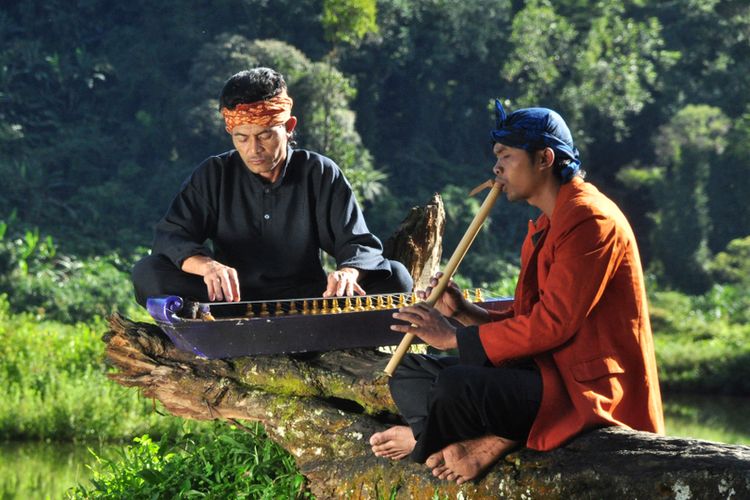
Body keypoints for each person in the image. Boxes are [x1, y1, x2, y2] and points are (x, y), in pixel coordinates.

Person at [369, 100, 664, 484]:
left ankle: (457, 443)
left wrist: (453, 338)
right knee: (409, 373)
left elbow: (554, 325)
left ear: (544, 158)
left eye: (506, 156)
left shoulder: (591, 220)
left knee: (455, 386)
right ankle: (451, 443)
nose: (496, 168)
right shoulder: (547, 224)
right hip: (541, 370)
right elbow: (530, 317)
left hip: (580, 385)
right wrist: (463, 313)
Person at [132, 67, 412, 308]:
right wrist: (207, 266)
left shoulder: (319, 172)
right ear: (231, 132)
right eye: (241, 138)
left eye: (265, 135)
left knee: (396, 277)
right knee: (148, 273)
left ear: (289, 126)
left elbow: (357, 243)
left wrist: (348, 273)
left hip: (309, 301)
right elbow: (171, 237)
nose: (254, 149)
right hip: (230, 301)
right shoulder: (214, 174)